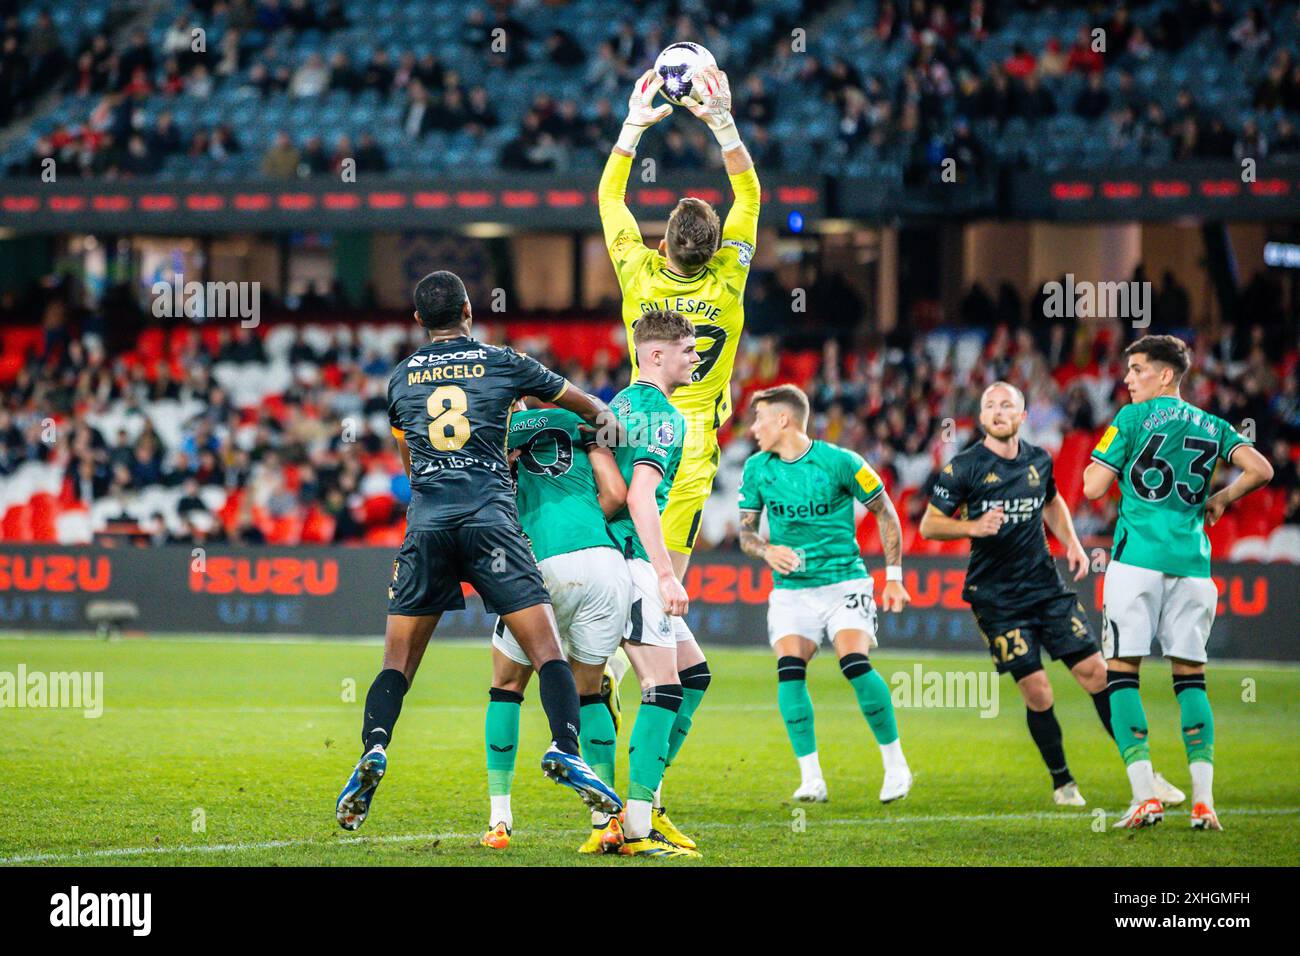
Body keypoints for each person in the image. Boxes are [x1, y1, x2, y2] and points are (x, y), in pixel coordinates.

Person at [334, 271, 623, 831]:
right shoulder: (504, 360)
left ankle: (374, 747)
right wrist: (607, 421)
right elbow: (580, 402)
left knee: (396, 662)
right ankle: (565, 746)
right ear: (469, 308)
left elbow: (410, 463)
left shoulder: (398, 380)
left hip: (427, 524)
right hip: (491, 521)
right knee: (547, 653)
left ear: (418, 321)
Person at [596, 63, 760, 823]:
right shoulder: (728, 279)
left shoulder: (638, 277)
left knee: (627, 570)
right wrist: (722, 121)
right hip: (690, 448)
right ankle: (641, 789)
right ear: (718, 245)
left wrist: (637, 123)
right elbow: (751, 195)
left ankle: (605, 675)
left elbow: (608, 198)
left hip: (628, 427)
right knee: (662, 603)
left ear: (663, 242)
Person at [921, 382, 1182, 807]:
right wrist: (972, 526)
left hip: (1046, 587)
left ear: (1023, 416)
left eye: (1007, 405)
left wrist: (1074, 544)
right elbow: (929, 525)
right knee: (1038, 690)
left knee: (1098, 673)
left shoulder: (1039, 459)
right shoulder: (963, 468)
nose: (998, 410)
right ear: (982, 417)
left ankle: (1144, 773)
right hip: (996, 598)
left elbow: (1052, 502)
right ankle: (1063, 782)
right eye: (990, 405)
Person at [1083, 335, 1273, 830]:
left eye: (1138, 369)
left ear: (1166, 375)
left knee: (1121, 672)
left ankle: (1145, 796)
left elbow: (1092, 486)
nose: (1127, 380)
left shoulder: (1130, 419)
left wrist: (1114, 469)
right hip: (1193, 567)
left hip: (1137, 562)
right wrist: (1223, 498)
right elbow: (1261, 469)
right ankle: (1204, 801)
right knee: (1191, 679)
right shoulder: (1213, 425)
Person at [738, 384, 914, 804]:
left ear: (783, 419)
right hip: (791, 592)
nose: (753, 427)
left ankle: (896, 765)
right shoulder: (756, 468)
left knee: (853, 662)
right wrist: (766, 549)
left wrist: (894, 576)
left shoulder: (841, 462)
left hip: (843, 583)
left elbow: (886, 512)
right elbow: (746, 533)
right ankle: (811, 778)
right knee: (789, 669)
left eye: (760, 418)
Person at [479, 400, 631, 853]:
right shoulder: (575, 421)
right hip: (604, 562)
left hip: (540, 564)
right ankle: (607, 821)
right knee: (589, 691)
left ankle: (500, 820)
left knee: (506, 685)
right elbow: (617, 495)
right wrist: (579, 526)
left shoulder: (487, 440)